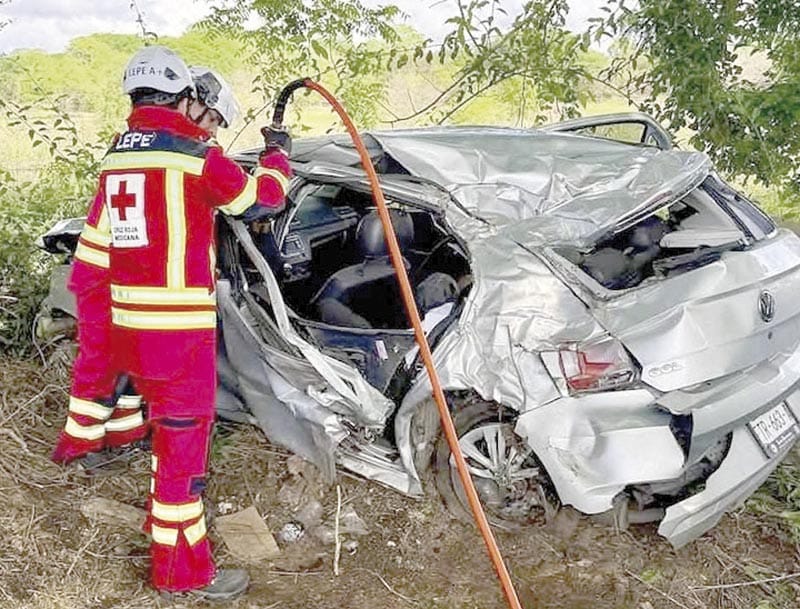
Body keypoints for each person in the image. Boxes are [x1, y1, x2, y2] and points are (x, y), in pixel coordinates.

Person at [51, 45, 291, 600]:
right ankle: (184, 574)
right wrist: (277, 154)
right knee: (182, 461)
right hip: (178, 338)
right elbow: (262, 201)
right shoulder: (195, 156)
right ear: (185, 97)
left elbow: (105, 245)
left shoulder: (117, 156)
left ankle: (109, 448)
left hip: (129, 329)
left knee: (154, 421)